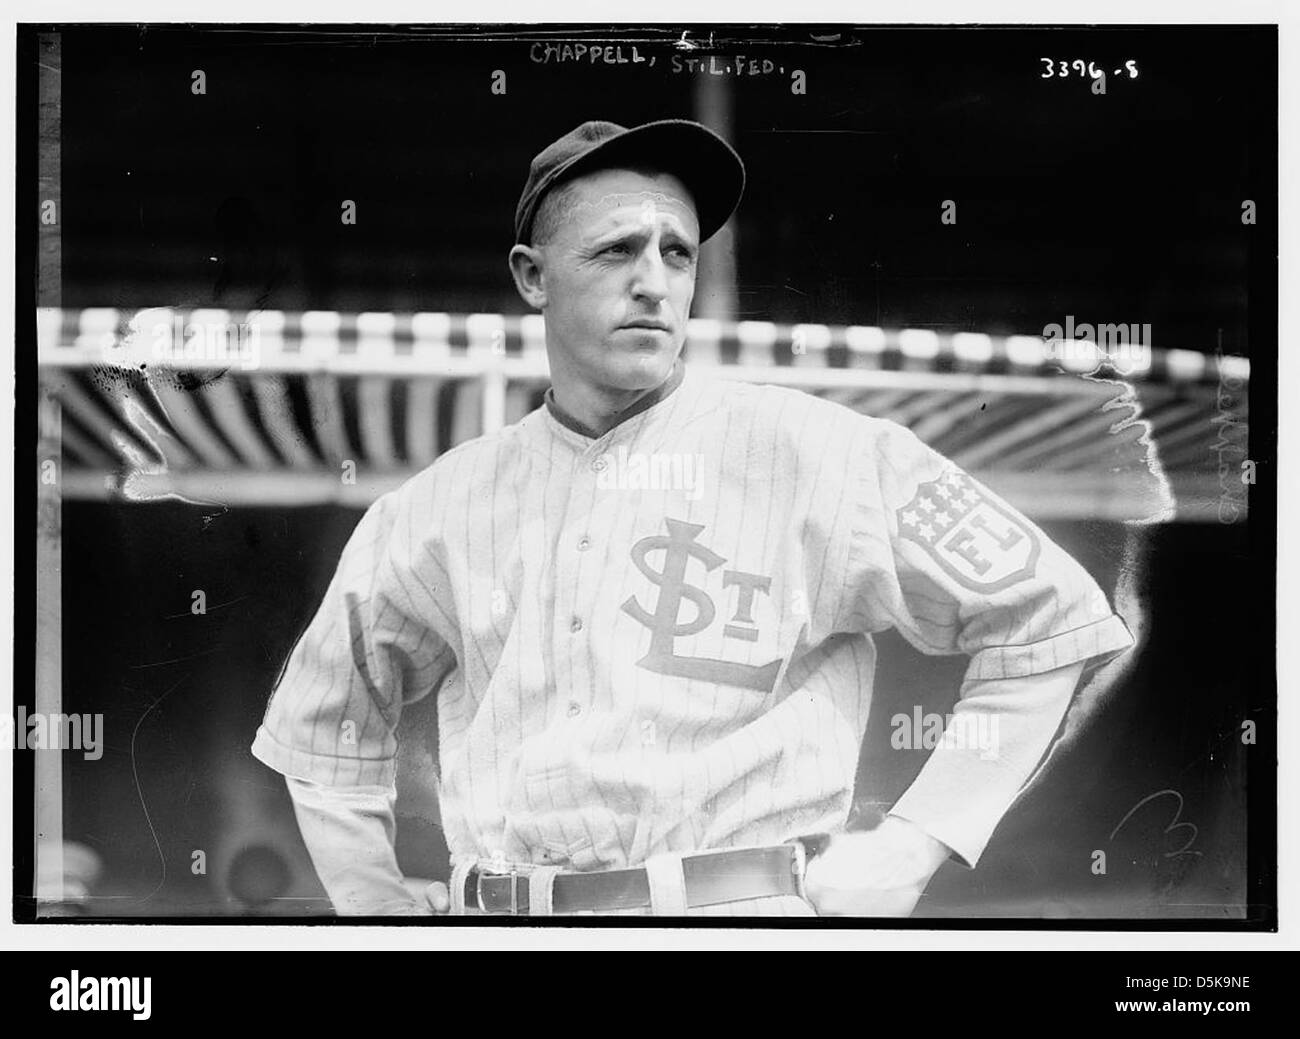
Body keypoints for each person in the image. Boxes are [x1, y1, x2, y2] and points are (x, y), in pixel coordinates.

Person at [252, 118, 1134, 916]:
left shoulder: (824, 450)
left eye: (678, 253)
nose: (654, 282)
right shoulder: (437, 503)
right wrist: (370, 904)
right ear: (532, 277)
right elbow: (325, 723)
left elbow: (1048, 621)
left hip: (740, 911)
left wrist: (912, 845)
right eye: (615, 252)